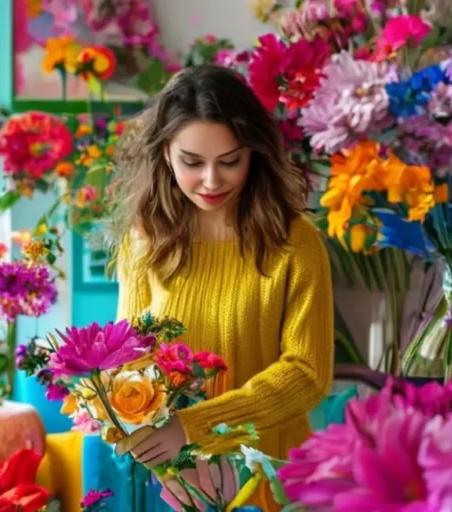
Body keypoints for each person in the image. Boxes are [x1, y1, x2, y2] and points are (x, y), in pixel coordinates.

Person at [82, 65, 335, 511]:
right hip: (172, 482)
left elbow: (308, 374)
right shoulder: (146, 240)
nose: (213, 181)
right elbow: (128, 363)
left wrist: (194, 424)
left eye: (230, 160)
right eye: (192, 163)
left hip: (270, 482)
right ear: (165, 155)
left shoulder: (295, 242)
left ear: (254, 153)